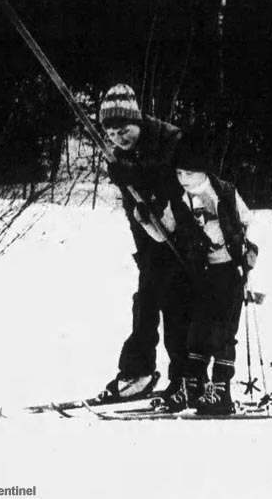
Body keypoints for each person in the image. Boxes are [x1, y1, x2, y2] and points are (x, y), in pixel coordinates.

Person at [135, 130, 257, 415]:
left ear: (203, 170)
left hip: (228, 270)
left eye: (190, 173)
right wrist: (144, 219)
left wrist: (249, 253)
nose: (184, 179)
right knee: (197, 328)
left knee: (222, 331)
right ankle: (193, 387)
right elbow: (163, 233)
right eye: (179, 173)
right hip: (201, 272)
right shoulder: (178, 200)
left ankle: (222, 390)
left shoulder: (223, 192)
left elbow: (248, 221)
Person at [98, 83, 187, 400]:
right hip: (152, 235)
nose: (118, 137)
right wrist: (145, 250)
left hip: (189, 232)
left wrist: (133, 173)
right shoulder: (121, 156)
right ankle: (138, 372)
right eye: (111, 132)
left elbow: (170, 176)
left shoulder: (170, 138)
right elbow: (131, 205)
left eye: (124, 128)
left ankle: (186, 378)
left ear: (137, 120)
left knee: (178, 306)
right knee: (146, 299)